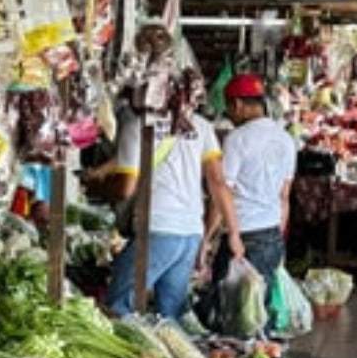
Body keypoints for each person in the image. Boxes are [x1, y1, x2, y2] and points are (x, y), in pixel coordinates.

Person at [106, 96, 240, 320]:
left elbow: (125, 189)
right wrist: (234, 233)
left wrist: (97, 187)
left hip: (156, 228)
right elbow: (218, 182)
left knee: (119, 308)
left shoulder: (137, 124)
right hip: (190, 233)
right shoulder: (200, 125)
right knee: (169, 316)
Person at [208, 73, 294, 286]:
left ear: (237, 104)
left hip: (243, 237)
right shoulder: (286, 139)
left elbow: (222, 191)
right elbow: (284, 196)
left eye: (228, 108)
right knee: (262, 302)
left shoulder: (237, 139)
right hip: (272, 234)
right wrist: (278, 237)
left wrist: (207, 236)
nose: (229, 115)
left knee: (231, 302)